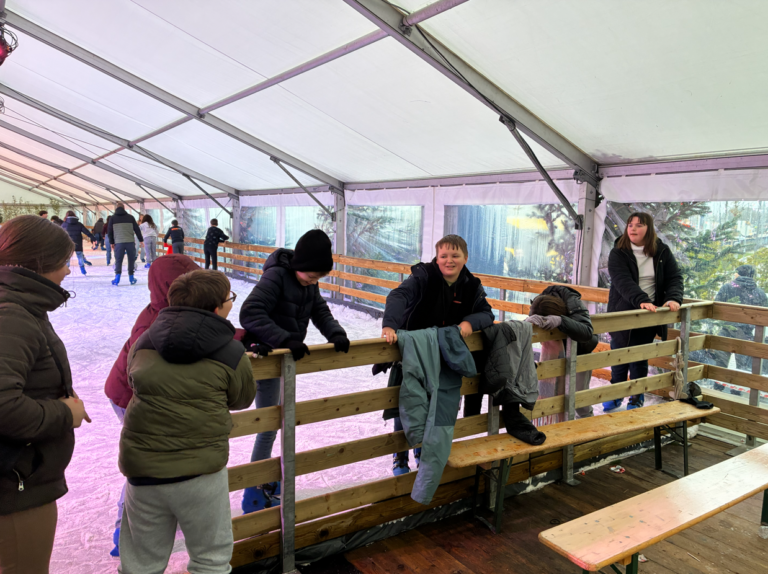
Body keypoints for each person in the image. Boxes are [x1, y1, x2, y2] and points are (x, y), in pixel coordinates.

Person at [118, 269, 255, 574]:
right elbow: (242, 399)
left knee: (140, 564)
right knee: (210, 560)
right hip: (200, 472)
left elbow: (132, 380)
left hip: (143, 470)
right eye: (229, 298)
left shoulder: (143, 341)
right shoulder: (231, 351)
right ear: (217, 308)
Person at [0, 215, 92, 573]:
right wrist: (64, 413)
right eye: (64, 262)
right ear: (39, 262)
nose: (68, 271)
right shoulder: (12, 315)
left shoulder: (19, 305)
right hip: (14, 486)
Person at [239, 229, 349, 513]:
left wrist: (336, 334)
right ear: (299, 264)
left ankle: (263, 480)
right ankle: (253, 491)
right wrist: (284, 339)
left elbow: (320, 311)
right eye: (311, 275)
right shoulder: (276, 276)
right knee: (268, 425)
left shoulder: (309, 284)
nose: (313, 281)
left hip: (285, 359)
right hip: (266, 357)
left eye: (318, 277)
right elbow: (250, 312)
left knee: (277, 422)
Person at [103, 253, 198, 557]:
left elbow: (208, 332)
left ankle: (169, 513)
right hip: (131, 396)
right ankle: (124, 530)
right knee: (148, 463)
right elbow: (139, 372)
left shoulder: (180, 312)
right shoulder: (155, 324)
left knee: (169, 457)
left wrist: (247, 337)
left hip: (154, 397)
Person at [380, 234, 494, 476]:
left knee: (434, 403)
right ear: (437, 257)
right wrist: (390, 325)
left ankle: (422, 449)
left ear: (465, 258)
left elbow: (487, 313)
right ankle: (400, 456)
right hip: (413, 350)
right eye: (444, 255)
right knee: (408, 402)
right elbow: (398, 296)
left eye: (455, 255)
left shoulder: (471, 285)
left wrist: (469, 322)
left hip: (444, 355)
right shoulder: (423, 276)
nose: (449, 260)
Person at [602, 212, 684, 411]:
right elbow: (622, 281)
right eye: (630, 224)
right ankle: (616, 393)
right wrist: (642, 300)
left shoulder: (661, 252)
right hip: (622, 312)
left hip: (649, 314)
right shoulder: (618, 252)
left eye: (639, 225)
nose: (633, 228)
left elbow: (674, 277)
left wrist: (673, 298)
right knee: (619, 355)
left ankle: (636, 396)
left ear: (649, 229)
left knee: (639, 356)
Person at [524, 287, 599, 426]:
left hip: (580, 353)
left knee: (580, 399)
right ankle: (554, 427)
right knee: (552, 397)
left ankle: (586, 429)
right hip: (554, 356)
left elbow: (589, 335)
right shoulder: (540, 304)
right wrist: (529, 322)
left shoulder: (572, 302)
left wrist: (561, 321)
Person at [712, 264, 768, 378]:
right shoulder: (760, 293)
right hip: (746, 335)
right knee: (743, 369)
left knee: (720, 365)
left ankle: (718, 385)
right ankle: (739, 387)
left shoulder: (727, 287)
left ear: (738, 274)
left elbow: (716, 308)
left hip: (727, 330)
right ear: (752, 276)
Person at [108, 202, 143, 286]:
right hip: (130, 242)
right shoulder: (130, 217)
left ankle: (117, 278)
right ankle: (131, 278)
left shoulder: (112, 218)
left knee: (118, 260)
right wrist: (141, 240)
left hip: (118, 242)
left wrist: (111, 242)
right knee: (131, 259)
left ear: (116, 208)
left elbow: (110, 231)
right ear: (124, 208)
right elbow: (137, 229)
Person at [61, 210, 95, 275]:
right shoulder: (79, 224)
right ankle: (82, 269)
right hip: (78, 243)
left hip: (68, 244)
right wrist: (93, 238)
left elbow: (60, 234)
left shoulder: (64, 224)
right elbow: (87, 232)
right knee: (80, 256)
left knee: (67, 257)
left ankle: (66, 269)